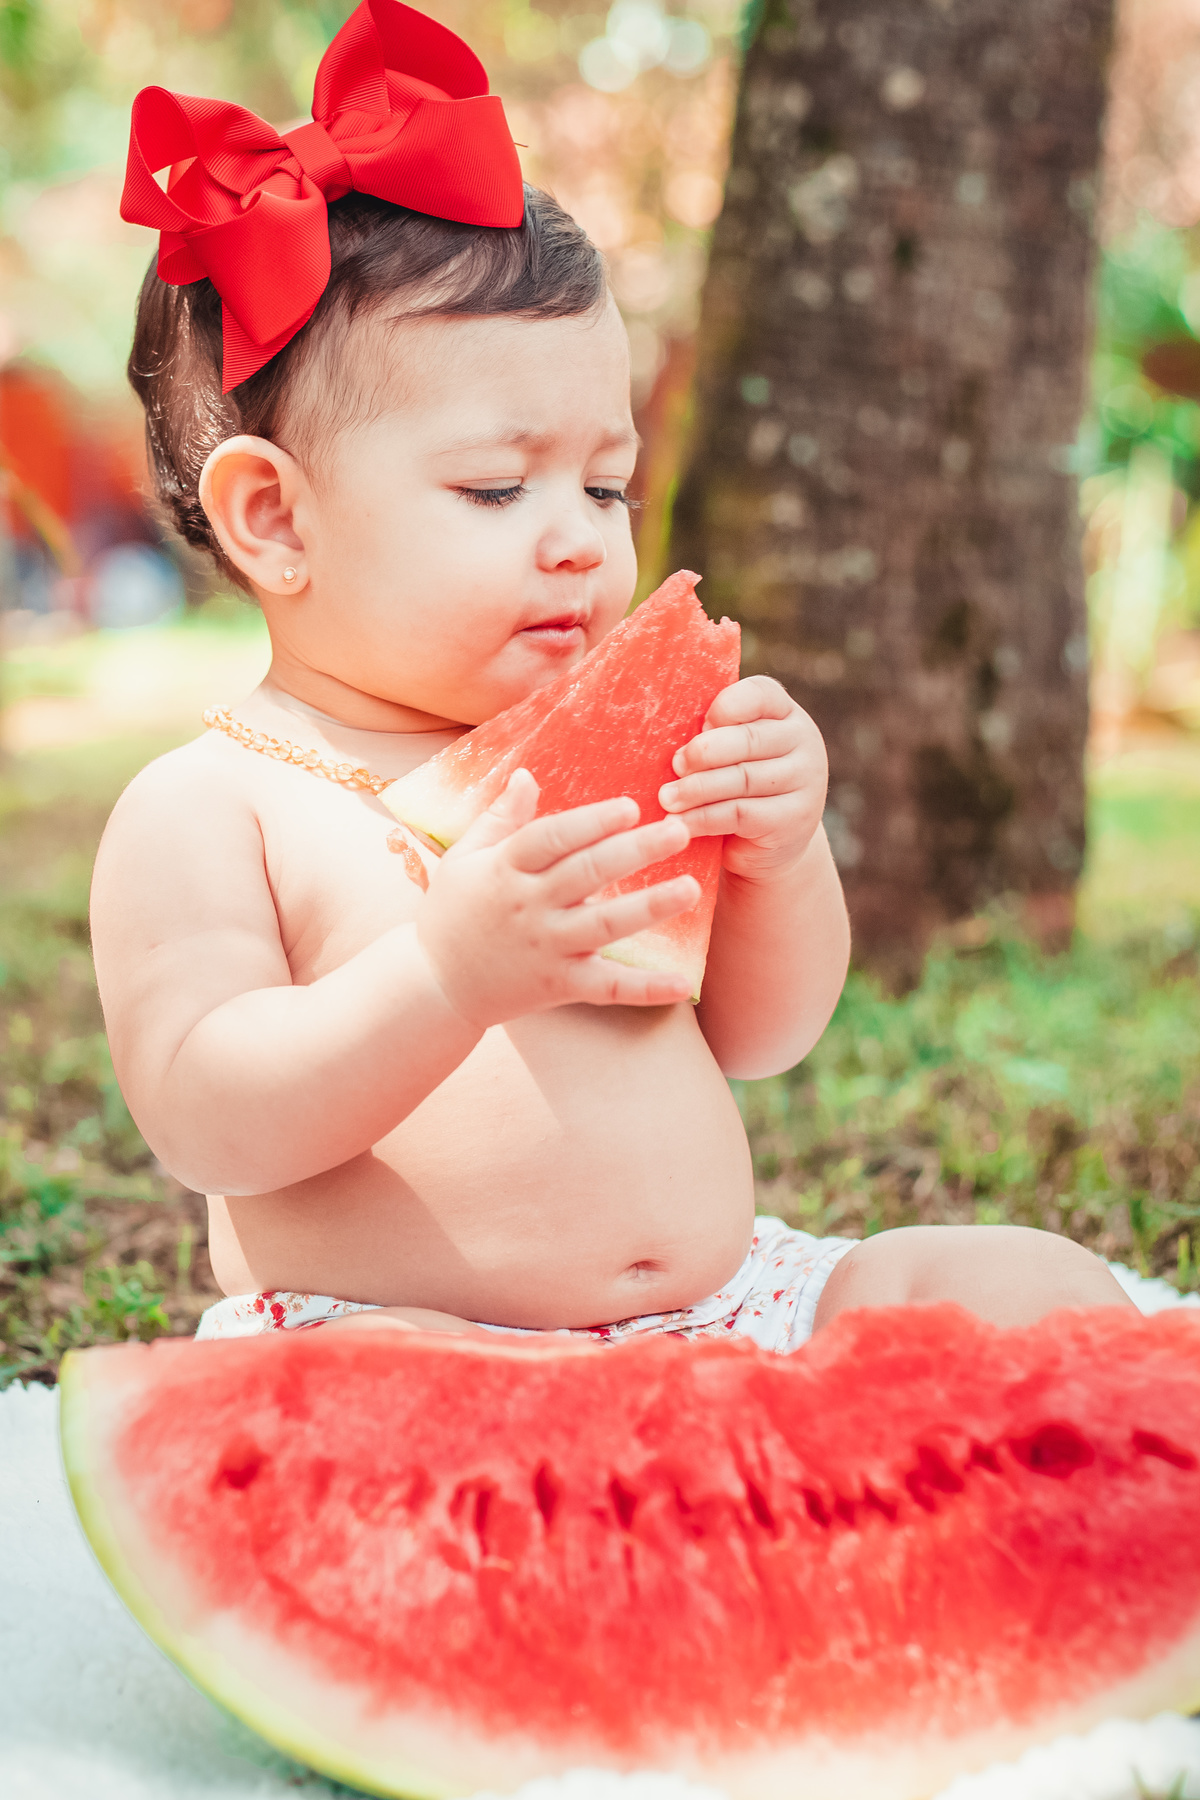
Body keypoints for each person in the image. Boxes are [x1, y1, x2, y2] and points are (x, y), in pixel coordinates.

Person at [90, 0, 1130, 1351]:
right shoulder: (210, 807)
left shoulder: (598, 742)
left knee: (1026, 1285)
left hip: (723, 1307)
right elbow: (206, 1114)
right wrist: (448, 974)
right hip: (407, 1344)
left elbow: (761, 1033)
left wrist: (781, 854)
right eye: (494, 485)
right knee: (382, 1387)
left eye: (606, 483)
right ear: (277, 519)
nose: (580, 537)